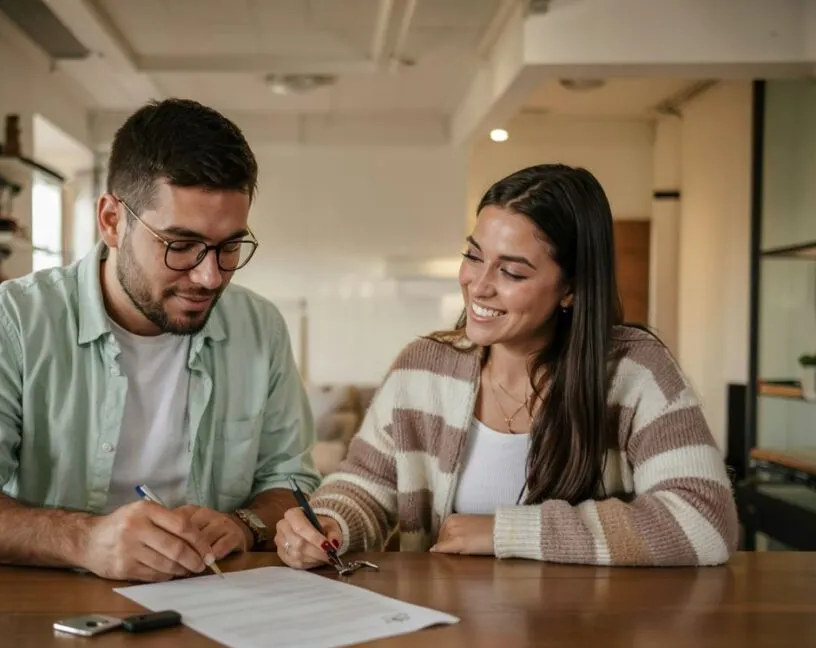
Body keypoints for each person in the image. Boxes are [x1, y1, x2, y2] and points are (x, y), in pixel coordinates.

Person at [0, 98, 319, 582]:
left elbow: (293, 482)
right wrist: (83, 539)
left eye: (230, 247)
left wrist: (244, 525)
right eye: (180, 246)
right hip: (38, 619)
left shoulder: (259, 328)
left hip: (215, 607)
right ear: (113, 221)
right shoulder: (9, 324)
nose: (210, 277)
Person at [275, 164, 737, 568]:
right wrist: (329, 522)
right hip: (446, 641)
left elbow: (703, 519)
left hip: (590, 644)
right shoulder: (422, 369)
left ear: (571, 289)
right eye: (474, 256)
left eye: (512, 272)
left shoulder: (636, 371)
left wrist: (504, 531)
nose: (478, 286)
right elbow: (365, 485)